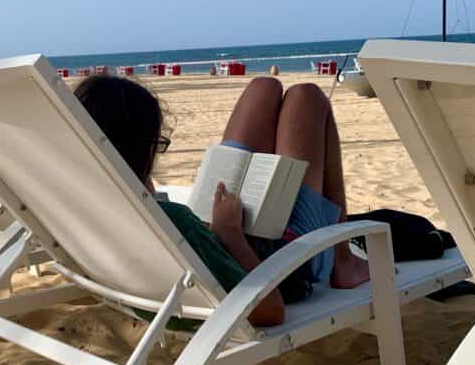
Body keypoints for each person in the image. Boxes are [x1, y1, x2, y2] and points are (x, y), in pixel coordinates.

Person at [73, 74, 369, 328]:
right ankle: (341, 259)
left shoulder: (78, 205)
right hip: (280, 262)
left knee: (263, 87)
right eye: (156, 145)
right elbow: (270, 310)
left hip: (214, 237)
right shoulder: (172, 222)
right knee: (309, 97)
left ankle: (340, 257)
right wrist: (230, 235)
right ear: (138, 152)